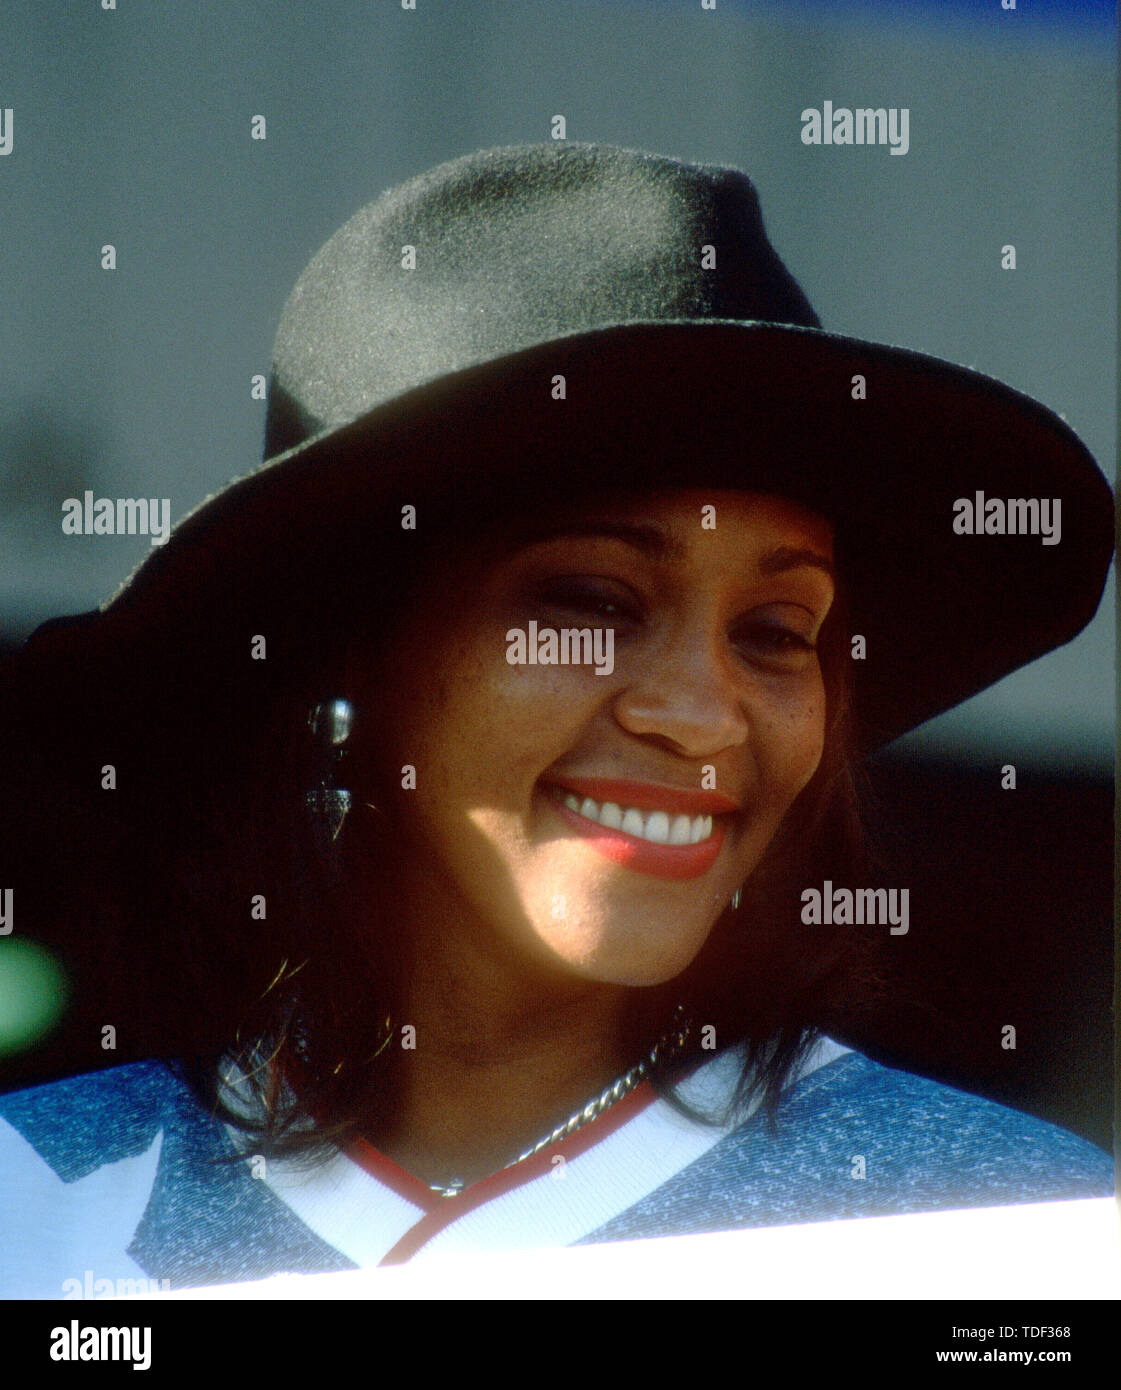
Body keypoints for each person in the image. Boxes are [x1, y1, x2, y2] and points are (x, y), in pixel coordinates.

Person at [0, 142, 1112, 1296]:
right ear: (348, 656)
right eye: (589, 603)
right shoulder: (30, 1210)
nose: (698, 716)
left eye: (777, 631)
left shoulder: (1012, 1238)